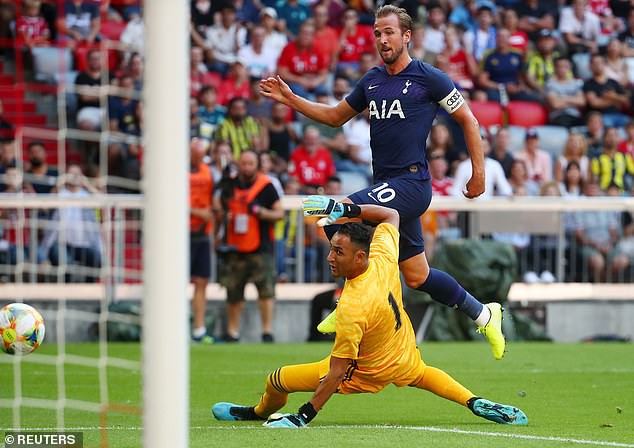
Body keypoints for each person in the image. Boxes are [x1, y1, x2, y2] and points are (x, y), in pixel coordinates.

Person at [260, 5, 506, 360]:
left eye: (389, 32)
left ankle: (345, 306)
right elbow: (333, 117)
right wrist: (290, 98)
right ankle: (485, 314)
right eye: (377, 32)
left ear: (407, 36)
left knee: (338, 215)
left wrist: (478, 172)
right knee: (417, 276)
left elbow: (468, 119)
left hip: (411, 184)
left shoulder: (429, 77)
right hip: (387, 186)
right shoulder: (372, 80)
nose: (382, 39)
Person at [212, 200, 528, 426]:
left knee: (277, 380)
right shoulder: (382, 254)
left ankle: (255, 412)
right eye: (331, 248)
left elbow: (336, 373)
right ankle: (475, 402)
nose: (330, 258)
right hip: (401, 349)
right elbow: (390, 214)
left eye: (339, 252)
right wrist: (345, 210)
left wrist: (303, 415)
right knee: (420, 373)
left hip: (365, 370)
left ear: (359, 256)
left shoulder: (352, 306)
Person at [214, 150, 284, 342]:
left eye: (250, 163)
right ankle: (232, 331)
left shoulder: (267, 186)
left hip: (261, 248)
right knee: (233, 293)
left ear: (257, 165)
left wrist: (261, 212)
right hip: (234, 247)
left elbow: (279, 214)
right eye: (243, 163)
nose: (246, 167)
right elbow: (217, 207)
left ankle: (267, 331)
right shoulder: (229, 185)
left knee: (266, 291)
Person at [189, 138, 214, 344]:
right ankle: (175, 328)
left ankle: (199, 329)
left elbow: (213, 199)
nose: (198, 158)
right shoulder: (176, 171)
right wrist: (198, 212)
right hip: (181, 234)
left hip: (202, 233)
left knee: (201, 281)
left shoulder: (207, 171)